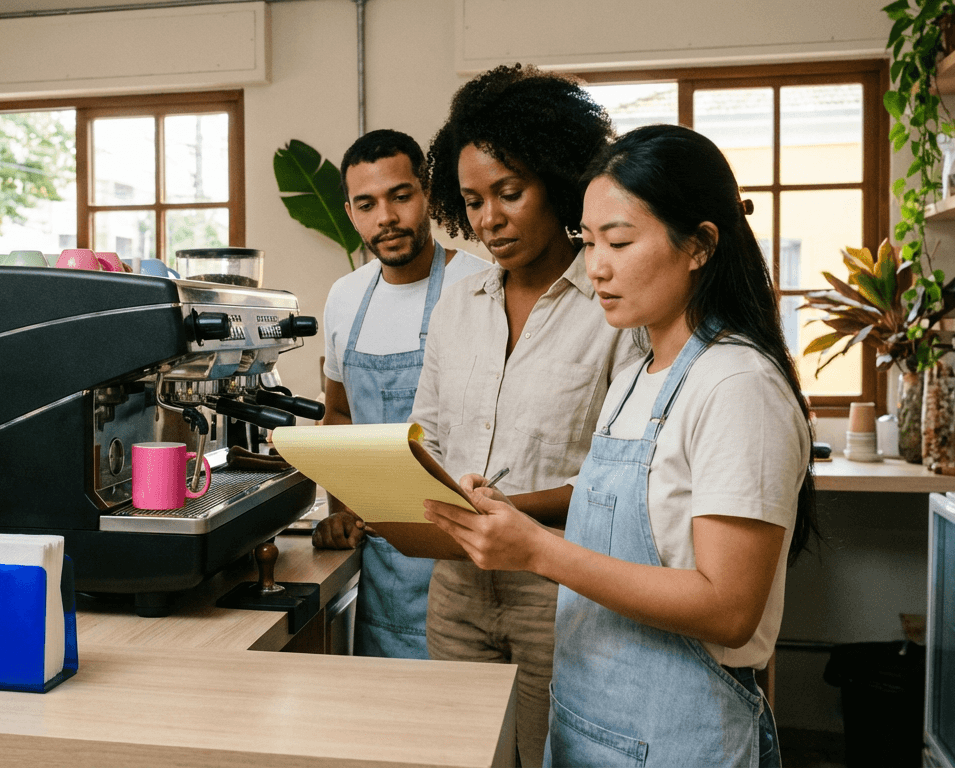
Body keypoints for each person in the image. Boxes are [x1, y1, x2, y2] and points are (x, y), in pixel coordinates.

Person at [424, 124, 819, 767]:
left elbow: (728, 607)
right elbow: (629, 496)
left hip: (675, 741)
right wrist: (508, 510)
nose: (595, 265)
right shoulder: (640, 372)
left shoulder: (738, 384)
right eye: (588, 241)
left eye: (620, 241)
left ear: (700, 244)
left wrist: (538, 551)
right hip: (589, 726)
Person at [411, 65, 641, 766]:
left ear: (560, 181)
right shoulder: (459, 302)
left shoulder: (615, 311)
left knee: (554, 756)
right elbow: (429, 435)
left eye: (510, 193)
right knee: (460, 755)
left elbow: (623, 478)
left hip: (563, 592)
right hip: (456, 588)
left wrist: (508, 510)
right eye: (474, 199)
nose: (489, 219)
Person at [313, 128, 490, 659]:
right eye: (366, 204)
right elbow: (339, 413)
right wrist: (339, 511)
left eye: (400, 196)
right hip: (382, 558)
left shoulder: (482, 286)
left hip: (464, 552)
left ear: (429, 193)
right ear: (350, 212)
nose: (385, 217)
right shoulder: (345, 298)